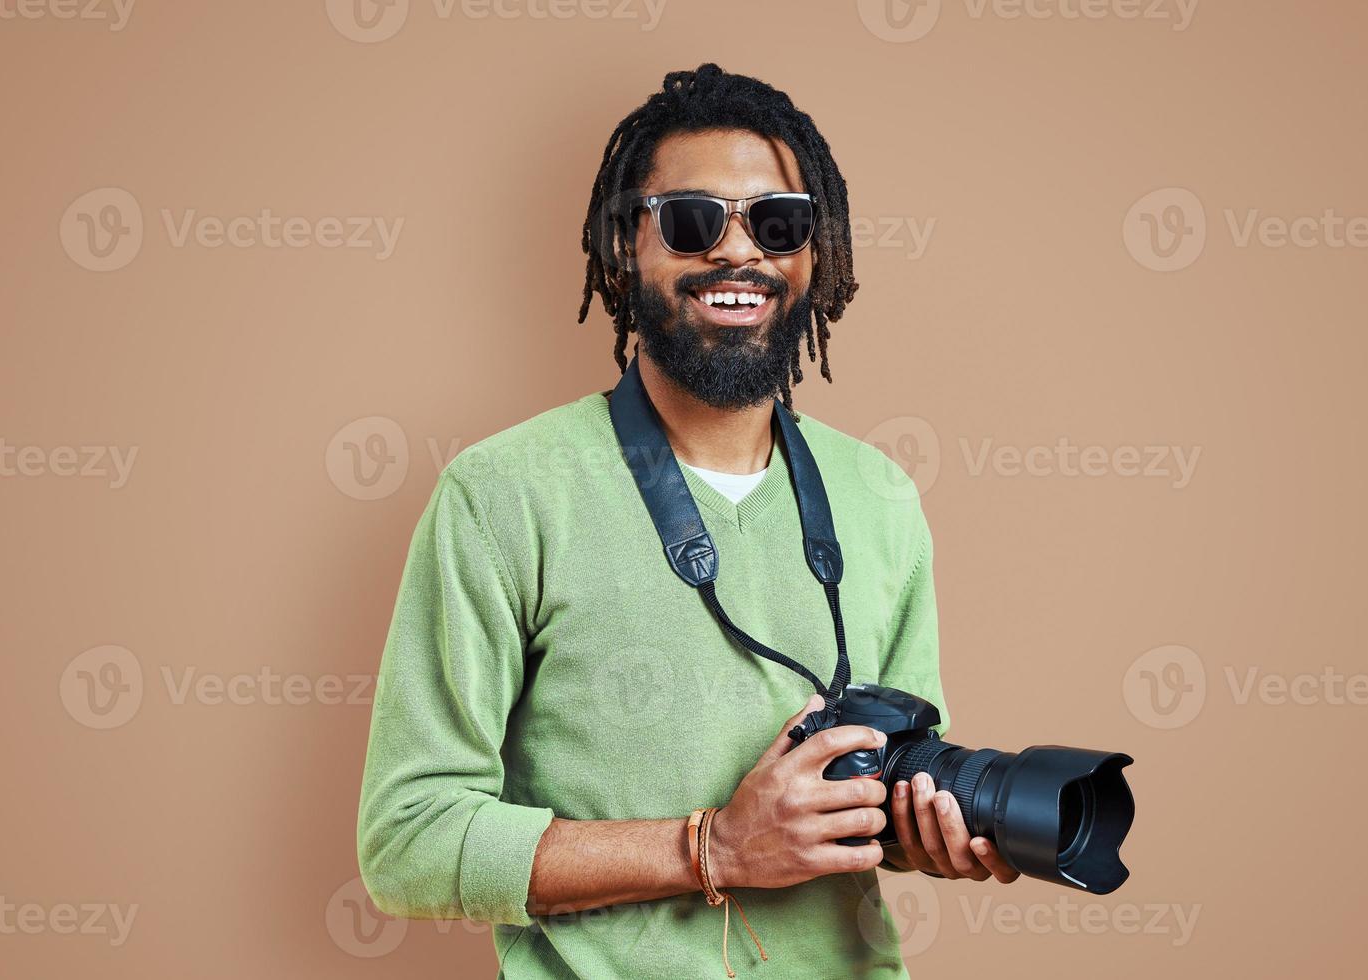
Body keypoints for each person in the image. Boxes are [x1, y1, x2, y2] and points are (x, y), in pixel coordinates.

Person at [357, 63, 1018, 980]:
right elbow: (407, 843)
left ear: (812, 253)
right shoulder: (502, 491)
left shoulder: (879, 495)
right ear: (626, 246)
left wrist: (930, 831)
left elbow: (870, 793)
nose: (737, 255)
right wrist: (711, 848)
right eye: (693, 221)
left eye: (777, 222)